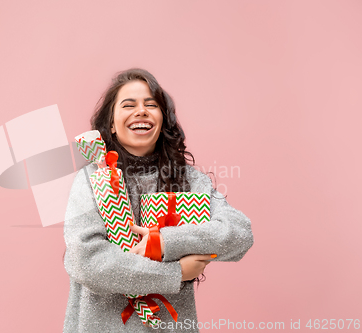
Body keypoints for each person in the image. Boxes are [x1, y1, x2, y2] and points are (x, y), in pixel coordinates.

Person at [63, 68, 254, 332]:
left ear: (163, 121)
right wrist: (174, 273)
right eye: (129, 105)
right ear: (110, 125)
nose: (141, 110)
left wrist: (165, 242)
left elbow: (239, 233)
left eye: (150, 104)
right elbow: (88, 261)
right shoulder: (91, 179)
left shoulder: (190, 182)